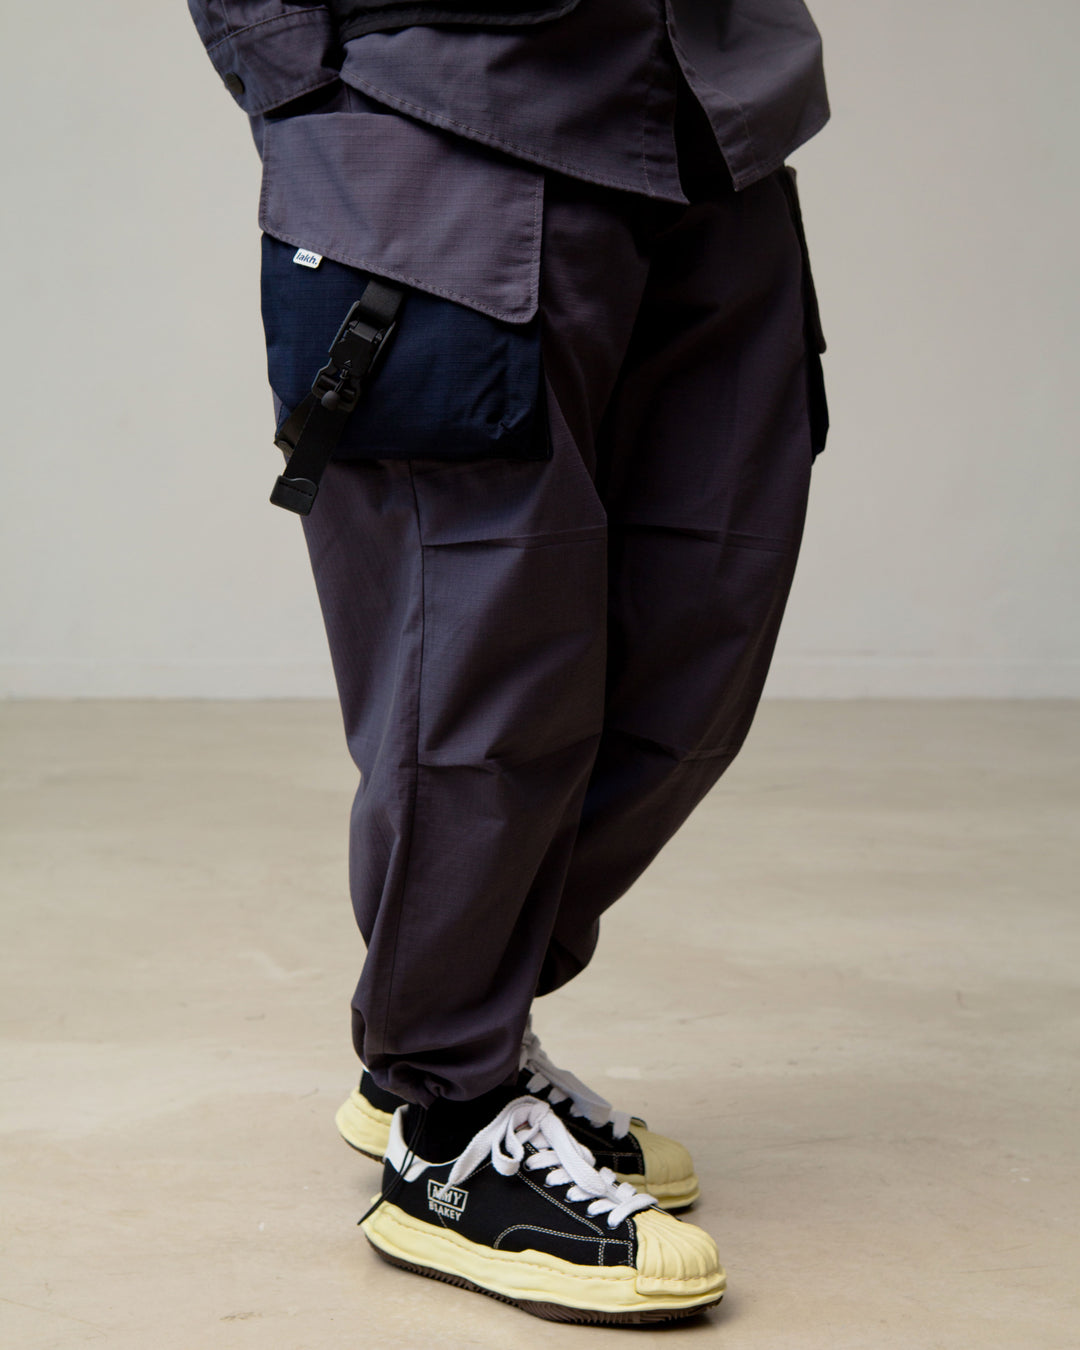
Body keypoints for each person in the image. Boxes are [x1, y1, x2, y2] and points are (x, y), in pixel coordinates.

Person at [187, 0, 830, 1325]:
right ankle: (449, 1115)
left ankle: (457, 1017)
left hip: (708, 106)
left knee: (697, 635)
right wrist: (310, 89)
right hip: (449, 114)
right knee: (483, 671)